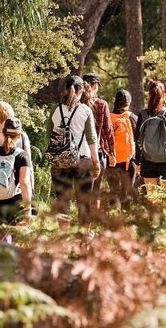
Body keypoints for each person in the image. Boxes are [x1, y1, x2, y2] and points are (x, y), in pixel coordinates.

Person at [46, 75, 100, 226]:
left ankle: (63, 239)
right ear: (81, 91)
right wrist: (96, 162)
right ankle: (84, 237)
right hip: (83, 159)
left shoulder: (55, 109)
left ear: (65, 89)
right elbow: (91, 139)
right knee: (84, 202)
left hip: (60, 161)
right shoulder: (85, 111)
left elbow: (48, 135)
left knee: (63, 202)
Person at [0, 118, 33, 244]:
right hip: (16, 204)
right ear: (20, 135)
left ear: (3, 133)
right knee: (16, 245)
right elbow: (25, 183)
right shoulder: (23, 156)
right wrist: (28, 210)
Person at [135, 80, 166, 191]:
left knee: (152, 198)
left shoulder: (143, 115)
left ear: (149, 95)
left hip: (147, 160)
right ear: (164, 95)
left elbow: (137, 139)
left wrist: (137, 162)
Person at [82, 73, 116, 203]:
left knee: (83, 191)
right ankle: (91, 223)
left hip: (80, 154)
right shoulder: (101, 104)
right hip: (98, 152)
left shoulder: (76, 105)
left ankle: (82, 220)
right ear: (95, 86)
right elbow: (108, 130)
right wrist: (112, 152)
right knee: (96, 192)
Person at [108, 90, 138, 205]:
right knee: (127, 193)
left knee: (113, 192)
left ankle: (112, 218)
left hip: (111, 161)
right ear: (128, 103)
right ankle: (127, 218)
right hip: (129, 161)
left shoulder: (109, 118)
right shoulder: (133, 118)